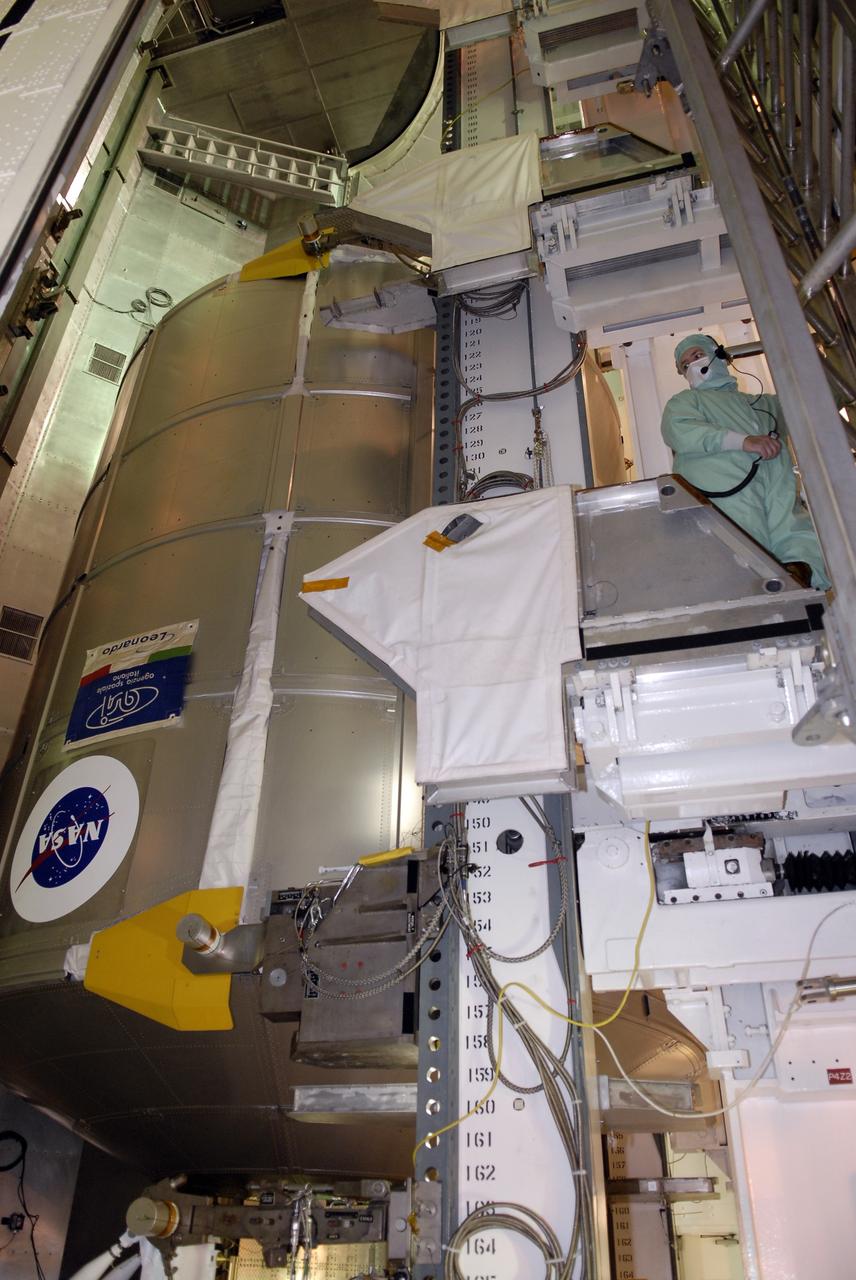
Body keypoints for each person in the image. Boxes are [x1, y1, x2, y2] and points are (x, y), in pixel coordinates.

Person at [660, 333, 830, 589]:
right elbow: (679, 430)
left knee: (792, 534)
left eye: (697, 355)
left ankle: (803, 577)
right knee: (740, 559)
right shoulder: (686, 401)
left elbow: (815, 403)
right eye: (685, 365)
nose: (693, 365)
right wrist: (744, 441)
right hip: (726, 500)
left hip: (777, 490)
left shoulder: (765, 404)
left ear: (719, 355)